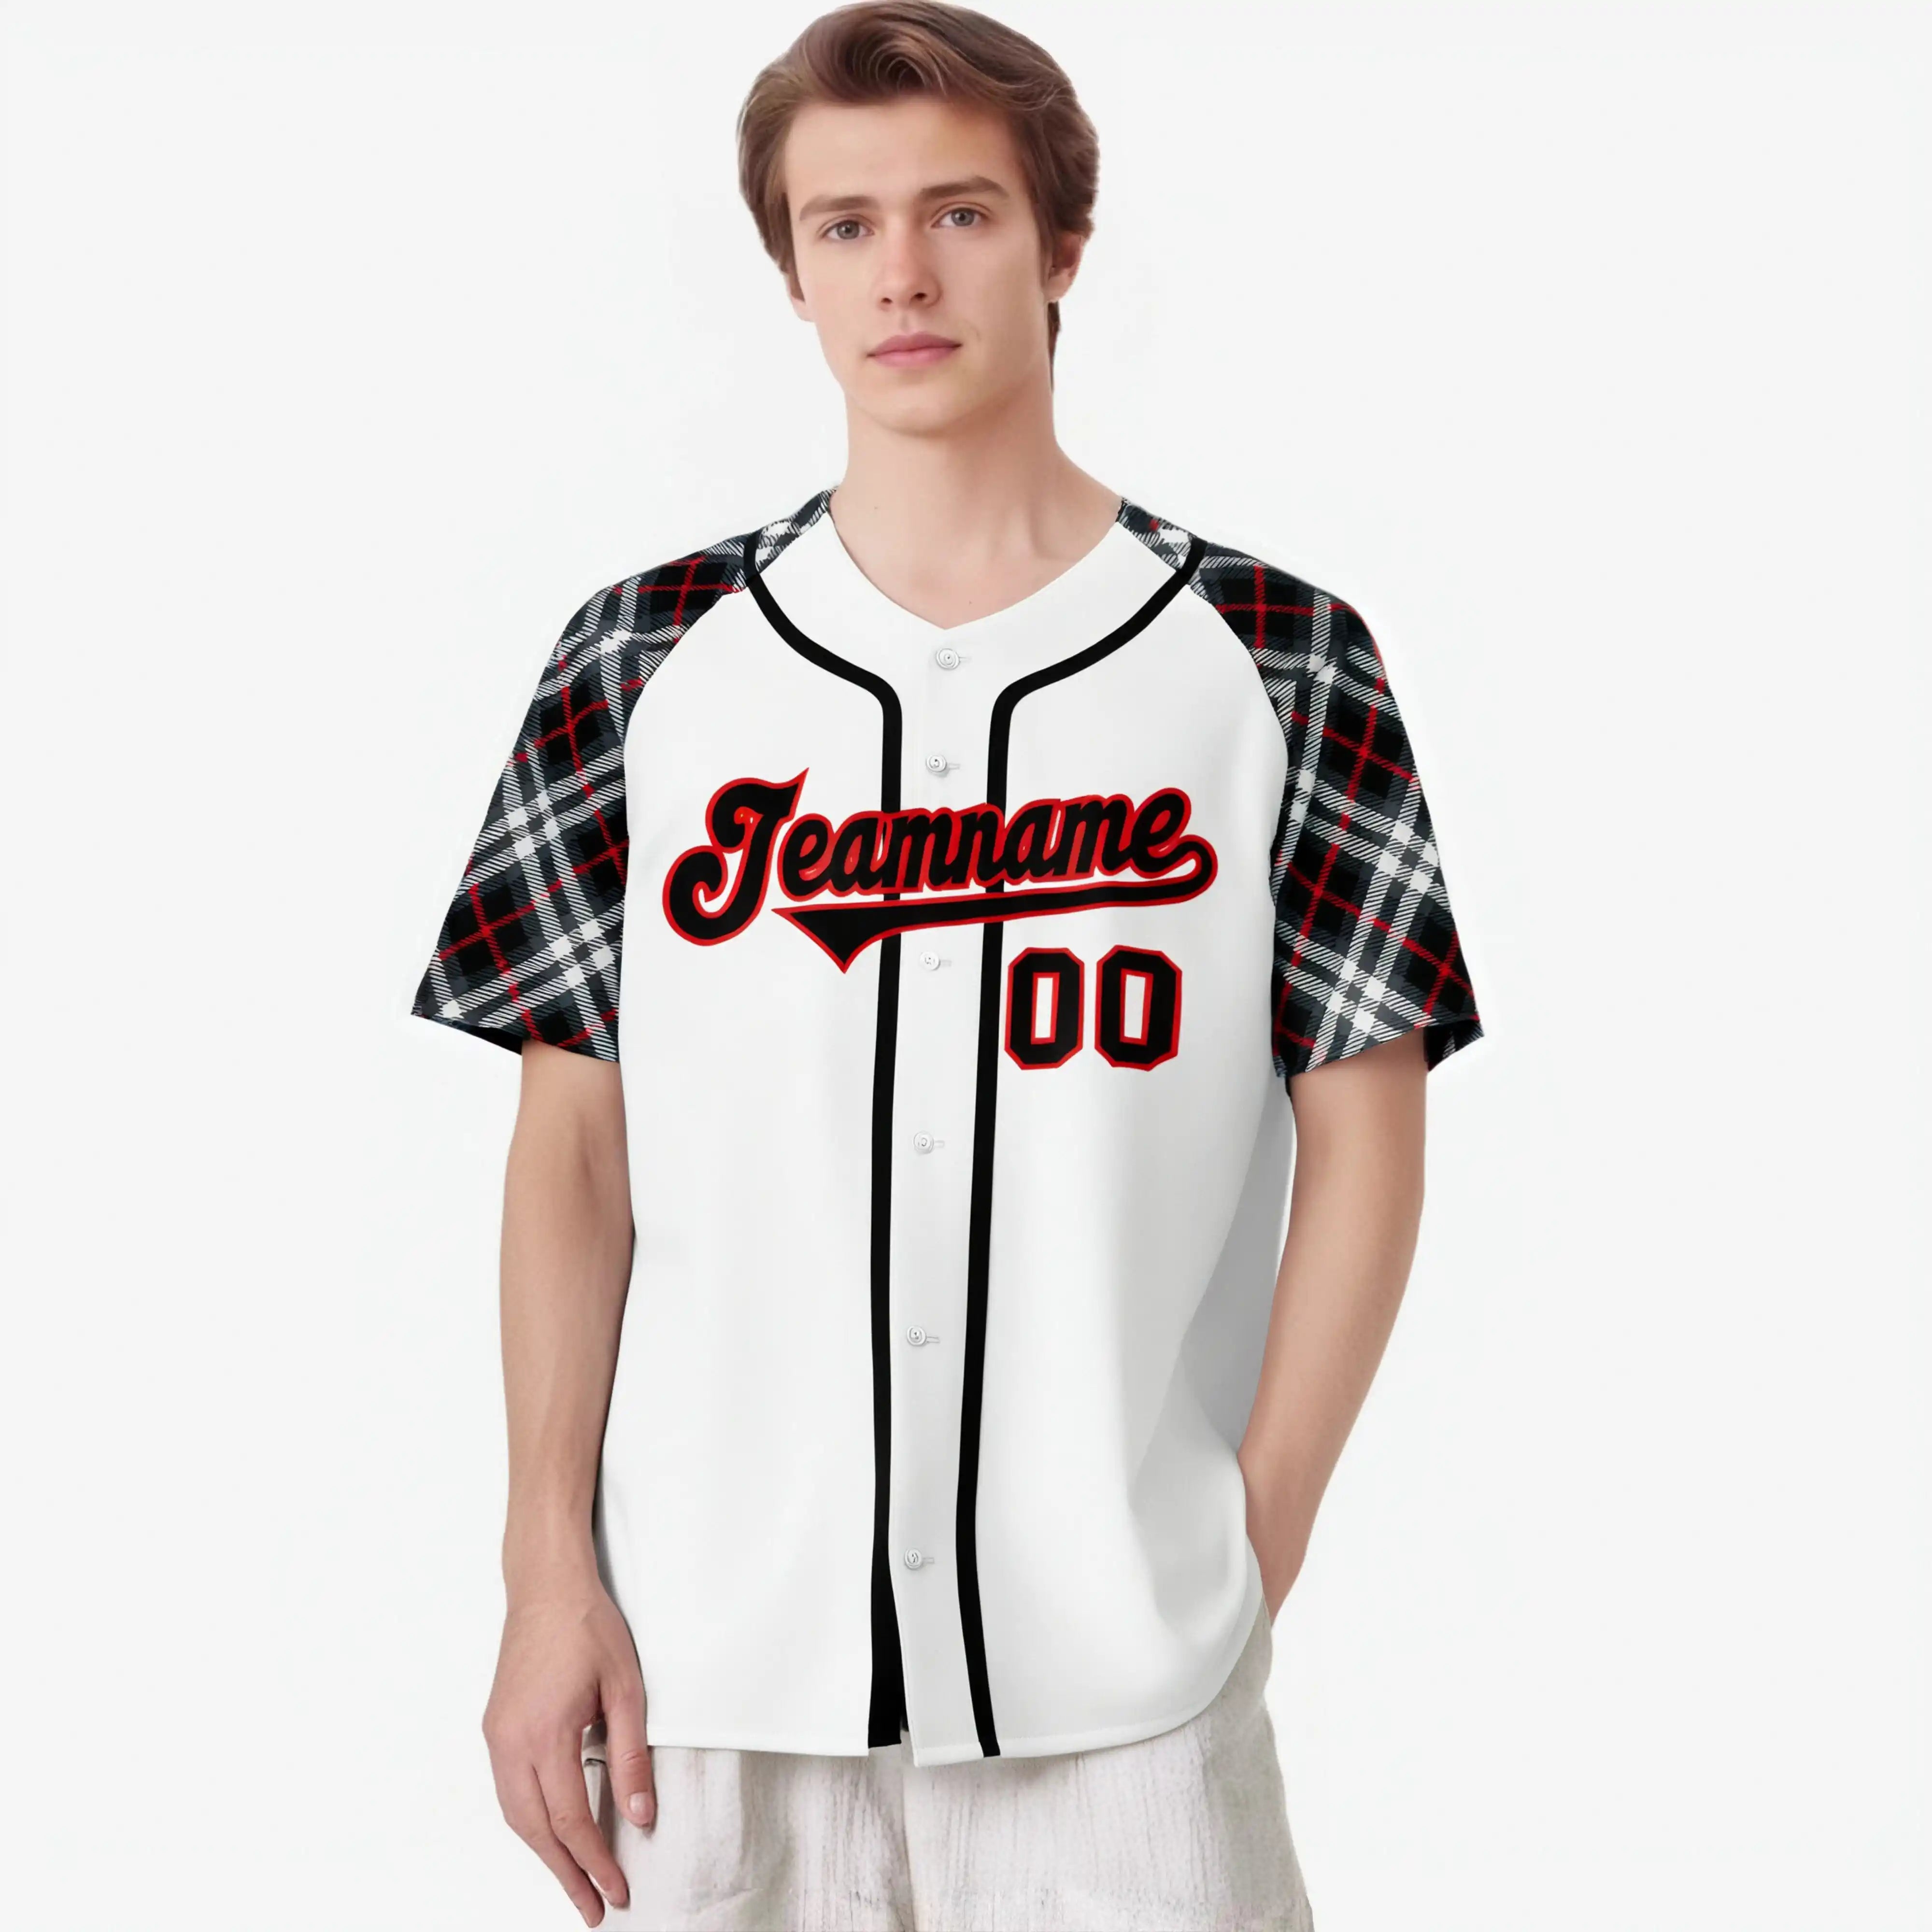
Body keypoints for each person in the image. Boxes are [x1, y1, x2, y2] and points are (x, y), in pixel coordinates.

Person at [409, 3, 1483, 1925]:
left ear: (1063, 244)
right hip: (707, 1677)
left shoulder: (1277, 655)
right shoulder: (639, 661)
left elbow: (1369, 1132)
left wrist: (1249, 1545)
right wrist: (541, 1567)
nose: (900, 273)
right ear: (791, 272)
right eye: (844, 225)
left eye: (960, 213)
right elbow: (573, 1145)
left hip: (1126, 1695)